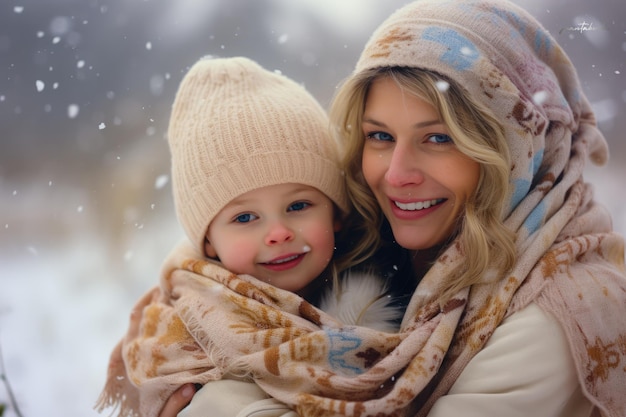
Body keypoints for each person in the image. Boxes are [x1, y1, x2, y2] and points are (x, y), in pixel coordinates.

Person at [156, 0, 626, 416]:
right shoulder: (372, 237)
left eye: (439, 138)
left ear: (514, 149)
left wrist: (214, 400)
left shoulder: (556, 313)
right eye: (380, 136)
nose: (397, 174)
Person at [95, 56, 405, 417]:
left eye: (298, 205)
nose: (277, 233)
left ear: (335, 213)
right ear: (208, 241)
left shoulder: (390, 298)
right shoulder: (185, 337)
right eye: (245, 217)